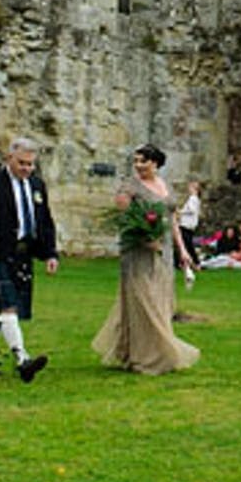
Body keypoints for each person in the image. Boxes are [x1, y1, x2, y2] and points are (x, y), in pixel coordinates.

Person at [91, 144, 200, 375]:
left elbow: (172, 220)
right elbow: (124, 219)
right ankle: (148, 356)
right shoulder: (129, 187)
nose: (139, 165)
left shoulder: (165, 185)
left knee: (160, 304)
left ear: (156, 163)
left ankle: (155, 352)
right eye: (136, 161)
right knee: (143, 304)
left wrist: (182, 250)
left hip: (163, 251)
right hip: (138, 253)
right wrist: (144, 238)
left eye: (144, 161)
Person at [0, 136, 57, 382]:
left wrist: (50, 253)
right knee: (8, 306)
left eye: (30, 164)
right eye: (21, 163)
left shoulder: (37, 185)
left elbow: (45, 221)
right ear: (9, 158)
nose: (26, 168)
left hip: (23, 254)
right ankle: (22, 359)